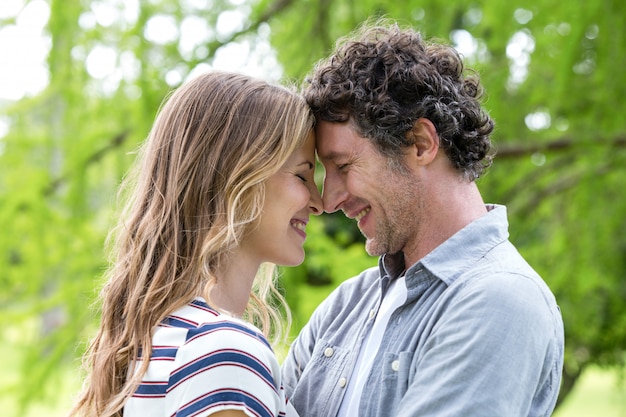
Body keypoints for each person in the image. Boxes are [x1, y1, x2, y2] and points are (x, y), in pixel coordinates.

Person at [282, 21, 564, 417]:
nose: (328, 201)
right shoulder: (347, 304)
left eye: (343, 166)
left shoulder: (499, 301)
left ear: (421, 143)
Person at [68, 71, 323, 417]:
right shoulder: (226, 353)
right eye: (301, 175)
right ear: (237, 178)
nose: (319, 202)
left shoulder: (160, 340)